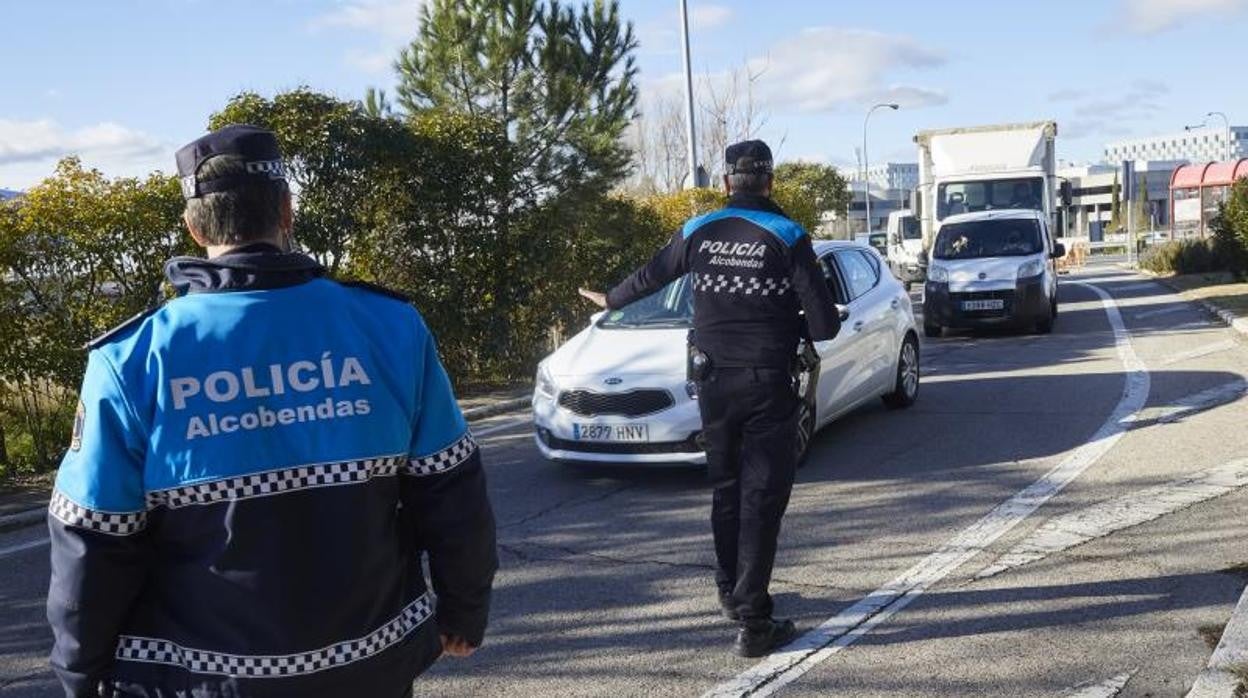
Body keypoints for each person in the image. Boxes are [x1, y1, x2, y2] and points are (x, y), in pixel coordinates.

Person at [46, 124, 497, 698]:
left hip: (206, 678)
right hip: (372, 664)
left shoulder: (133, 358)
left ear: (193, 226)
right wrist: (464, 610)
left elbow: (93, 540)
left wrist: (81, 674)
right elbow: (452, 489)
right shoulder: (390, 327)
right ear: (287, 210)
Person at [579, 140, 841, 658]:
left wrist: (609, 299)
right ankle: (754, 621)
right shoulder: (788, 234)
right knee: (761, 498)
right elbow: (826, 324)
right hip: (768, 381)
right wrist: (785, 318)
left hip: (713, 382)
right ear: (769, 182)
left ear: (726, 183)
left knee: (726, 488)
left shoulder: (700, 229)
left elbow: (651, 275)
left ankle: (730, 591)